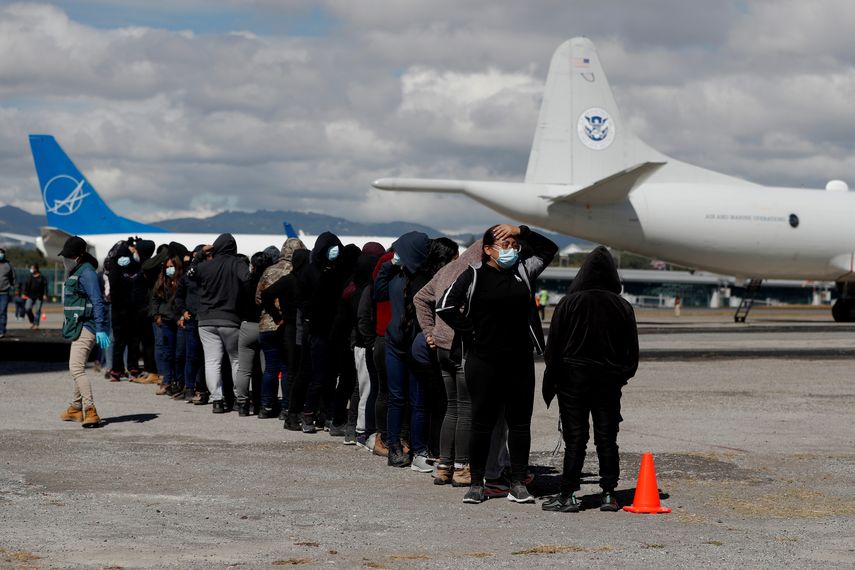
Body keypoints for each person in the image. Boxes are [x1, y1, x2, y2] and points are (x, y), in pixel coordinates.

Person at [437, 224, 557, 504]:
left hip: (519, 361)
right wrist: (470, 331)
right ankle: (478, 483)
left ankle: (517, 482)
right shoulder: (474, 275)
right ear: (488, 250)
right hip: (483, 361)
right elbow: (445, 305)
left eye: (514, 245)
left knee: (519, 424)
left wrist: (522, 230)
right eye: (505, 244)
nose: (511, 249)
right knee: (482, 422)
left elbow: (549, 250)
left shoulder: (523, 272)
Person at [541, 246, 639, 513]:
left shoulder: (568, 303)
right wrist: (621, 376)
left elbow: (553, 350)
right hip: (608, 380)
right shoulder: (622, 306)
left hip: (572, 380)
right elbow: (632, 353)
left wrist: (558, 379)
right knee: (607, 438)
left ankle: (569, 494)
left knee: (576, 439)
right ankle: (609, 493)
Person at [414, 240, 481, 486]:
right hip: (459, 346)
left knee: (451, 408)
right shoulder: (472, 272)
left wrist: (429, 332)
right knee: (466, 409)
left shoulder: (446, 270)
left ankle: (444, 466)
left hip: (441, 347)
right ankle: (462, 468)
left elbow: (420, 298)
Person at [373, 231, 433, 470]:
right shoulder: (396, 276)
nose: (394, 254)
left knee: (416, 400)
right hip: (395, 346)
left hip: (414, 348)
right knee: (397, 398)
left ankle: (417, 448)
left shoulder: (426, 280)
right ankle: (395, 446)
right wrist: (388, 267)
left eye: (399, 251)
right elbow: (378, 293)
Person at [192, 234, 250, 414]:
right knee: (236, 361)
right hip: (230, 318)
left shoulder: (205, 266)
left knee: (212, 361)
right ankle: (240, 399)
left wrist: (200, 254)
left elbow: (190, 274)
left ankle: (217, 400)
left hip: (206, 319)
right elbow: (247, 280)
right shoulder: (237, 263)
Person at [57, 236, 110, 428]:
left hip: (86, 327)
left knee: (76, 368)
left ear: (79, 256)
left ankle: (90, 410)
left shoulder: (86, 273)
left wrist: (101, 328)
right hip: (79, 326)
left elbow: (97, 301)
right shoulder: (79, 270)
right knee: (77, 367)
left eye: (69, 256)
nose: (66, 259)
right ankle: (75, 409)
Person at [256, 239, 306, 419]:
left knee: (270, 367)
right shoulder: (299, 271)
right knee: (287, 368)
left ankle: (266, 406)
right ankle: (286, 407)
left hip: (267, 325)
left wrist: (273, 314)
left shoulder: (270, 270)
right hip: (289, 326)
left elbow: (259, 298)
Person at [149, 254, 184, 396]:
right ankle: (167, 380)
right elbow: (155, 299)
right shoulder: (162, 282)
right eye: (167, 267)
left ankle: (178, 381)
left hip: (179, 321)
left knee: (179, 353)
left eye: (172, 267)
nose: (169, 270)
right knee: (167, 353)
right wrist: (156, 315)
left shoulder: (182, 282)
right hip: (166, 321)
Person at [22, 264, 48, 329]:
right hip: (30, 296)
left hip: (39, 296)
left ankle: (36, 324)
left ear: (36, 269)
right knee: (27, 308)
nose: (31, 270)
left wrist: (45, 294)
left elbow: (45, 287)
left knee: (37, 310)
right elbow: (26, 285)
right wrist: (24, 293)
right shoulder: (30, 277)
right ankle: (32, 320)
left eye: (32, 268)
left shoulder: (42, 277)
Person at [0, 247, 14, 338]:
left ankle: (2, 330)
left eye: (2, 252)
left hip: (4, 292)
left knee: (2, 312)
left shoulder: (8, 265)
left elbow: (13, 277)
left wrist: (13, 287)